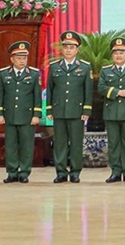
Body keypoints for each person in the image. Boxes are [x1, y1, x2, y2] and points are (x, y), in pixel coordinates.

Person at [47, 30, 92, 183]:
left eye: (72, 47)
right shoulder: (54, 67)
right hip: (59, 111)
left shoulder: (85, 67)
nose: (68, 50)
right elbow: (50, 89)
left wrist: (86, 110)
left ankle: (75, 172)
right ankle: (60, 172)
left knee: (76, 143)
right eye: (66, 47)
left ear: (77, 50)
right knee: (59, 143)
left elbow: (88, 90)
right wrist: (49, 109)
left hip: (77, 111)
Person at [0, 41, 42, 183]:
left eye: (24, 58)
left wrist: (36, 115)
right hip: (9, 116)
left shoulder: (34, 74)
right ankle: (12, 172)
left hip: (27, 116)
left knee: (26, 146)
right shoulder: (4, 74)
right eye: (19, 58)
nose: (22, 61)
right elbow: (0, 95)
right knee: (10, 145)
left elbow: (37, 96)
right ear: (12, 59)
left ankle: (24, 172)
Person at [96, 38, 125, 184]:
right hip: (111, 112)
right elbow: (101, 88)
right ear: (112, 55)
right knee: (113, 143)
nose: (118, 55)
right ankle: (115, 171)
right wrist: (118, 92)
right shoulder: (106, 70)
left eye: (122, 52)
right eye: (116, 53)